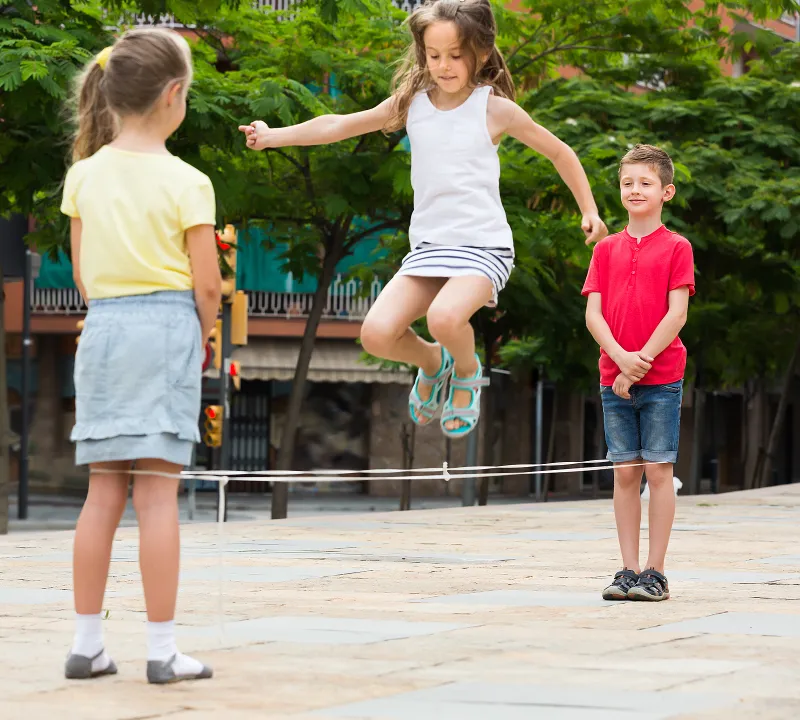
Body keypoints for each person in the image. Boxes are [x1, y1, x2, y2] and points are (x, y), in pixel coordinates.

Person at [240, 0, 607, 438]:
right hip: (431, 247)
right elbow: (339, 125)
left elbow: (560, 152)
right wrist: (272, 136)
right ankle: (433, 362)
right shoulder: (411, 104)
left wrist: (589, 210)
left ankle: (468, 373)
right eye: (434, 56)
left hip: (483, 246)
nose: (443, 66)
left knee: (444, 317)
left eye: (455, 55)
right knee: (376, 335)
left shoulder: (493, 109)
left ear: (482, 54)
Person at [60, 28, 220, 683]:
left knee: (102, 490)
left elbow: (80, 273)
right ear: (174, 95)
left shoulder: (83, 175)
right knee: (156, 495)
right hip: (165, 326)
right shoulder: (188, 181)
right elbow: (207, 283)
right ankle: (161, 652)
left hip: (104, 327)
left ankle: (86, 643)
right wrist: (202, 336)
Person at [582, 144, 695, 601]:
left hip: (662, 377)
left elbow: (677, 314)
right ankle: (627, 570)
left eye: (645, 182)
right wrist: (620, 361)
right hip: (614, 378)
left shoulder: (677, 247)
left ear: (665, 191)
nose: (635, 189)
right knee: (625, 474)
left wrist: (639, 361)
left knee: (659, 471)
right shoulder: (606, 249)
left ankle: (655, 572)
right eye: (628, 182)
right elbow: (594, 315)